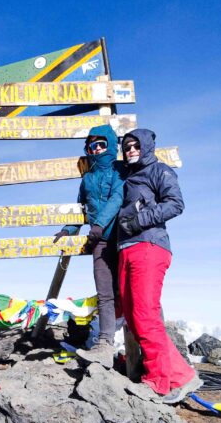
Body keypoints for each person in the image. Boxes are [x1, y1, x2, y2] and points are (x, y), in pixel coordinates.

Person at [117, 129, 202, 404]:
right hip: (126, 249)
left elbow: (176, 204)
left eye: (135, 145)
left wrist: (139, 221)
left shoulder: (159, 170)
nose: (130, 150)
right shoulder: (127, 177)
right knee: (131, 315)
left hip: (150, 247)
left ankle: (157, 382)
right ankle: (181, 375)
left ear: (147, 147)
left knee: (144, 314)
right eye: (127, 146)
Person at [54, 124, 125, 368]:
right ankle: (104, 345)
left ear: (111, 146)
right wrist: (69, 229)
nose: (96, 150)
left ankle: (140, 346)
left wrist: (99, 226)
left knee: (130, 292)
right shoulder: (87, 179)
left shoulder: (120, 170)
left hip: (123, 238)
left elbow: (118, 198)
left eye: (101, 145)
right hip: (100, 242)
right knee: (105, 295)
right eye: (91, 146)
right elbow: (82, 210)